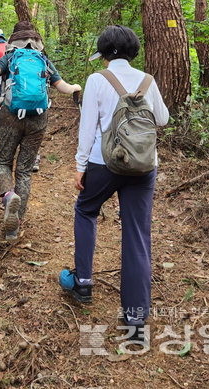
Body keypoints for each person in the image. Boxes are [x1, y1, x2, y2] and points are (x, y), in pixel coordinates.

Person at [58, 25, 169, 344]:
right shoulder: (148, 80)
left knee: (86, 210)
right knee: (137, 232)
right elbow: (162, 119)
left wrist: (80, 166)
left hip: (103, 162)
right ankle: (135, 320)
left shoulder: (96, 80)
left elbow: (87, 125)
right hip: (143, 164)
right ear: (133, 52)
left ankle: (83, 283)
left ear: (104, 54)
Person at [0, 21, 81, 241]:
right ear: (36, 41)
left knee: (3, 163)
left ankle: (8, 196)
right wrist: (77, 88)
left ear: (14, 39)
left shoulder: (10, 57)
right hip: (38, 118)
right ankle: (14, 225)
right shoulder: (43, 60)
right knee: (25, 171)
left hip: (10, 115)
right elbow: (64, 87)